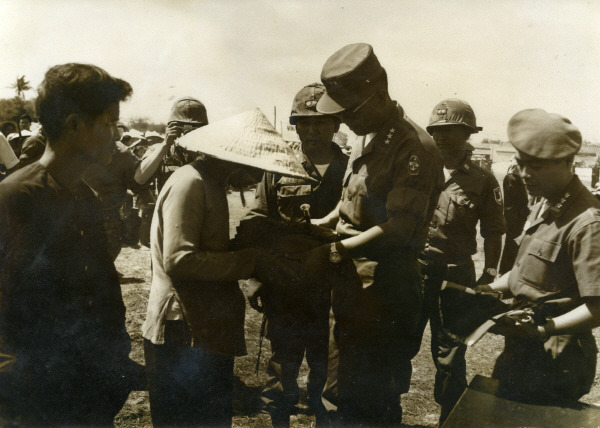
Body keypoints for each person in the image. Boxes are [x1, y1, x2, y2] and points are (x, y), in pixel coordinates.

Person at [142, 108, 310, 427]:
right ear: (235, 159)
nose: (256, 178)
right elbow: (179, 260)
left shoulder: (210, 183)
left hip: (203, 327)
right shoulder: (191, 182)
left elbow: (205, 251)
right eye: (254, 169)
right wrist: (252, 261)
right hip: (181, 330)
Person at [308, 43, 444, 426]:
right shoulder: (363, 136)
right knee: (339, 389)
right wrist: (323, 224)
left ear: (378, 94)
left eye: (349, 110)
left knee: (372, 398)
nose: (344, 121)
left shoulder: (412, 145)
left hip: (386, 290)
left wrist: (337, 249)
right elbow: (351, 199)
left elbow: (400, 227)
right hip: (352, 282)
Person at [0, 63, 137, 425]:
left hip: (86, 398)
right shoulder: (16, 199)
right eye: (109, 123)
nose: (115, 135)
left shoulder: (83, 195)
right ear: (76, 124)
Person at [477, 109, 600, 404]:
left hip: (558, 359)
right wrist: (490, 288)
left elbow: (598, 308)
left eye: (536, 166)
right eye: (520, 164)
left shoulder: (587, 222)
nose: (524, 174)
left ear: (569, 163)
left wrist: (544, 329)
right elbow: (523, 272)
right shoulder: (545, 203)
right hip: (524, 346)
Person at [248, 83, 348, 427]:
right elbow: (258, 223)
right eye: (303, 123)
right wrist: (256, 278)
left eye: (320, 122)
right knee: (280, 373)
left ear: (337, 124)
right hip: (286, 288)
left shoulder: (353, 172)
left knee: (329, 378)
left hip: (335, 290)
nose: (311, 130)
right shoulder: (279, 167)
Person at [416, 98, 506, 424]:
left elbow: (494, 231)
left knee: (451, 357)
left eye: (450, 130)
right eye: (436, 130)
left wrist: (490, 272)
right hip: (414, 272)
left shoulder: (483, 180)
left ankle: (450, 421)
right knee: (398, 345)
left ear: (467, 133)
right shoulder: (417, 170)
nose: (441, 136)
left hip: (456, 276)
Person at [498, 157, 530, 274]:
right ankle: (506, 270)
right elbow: (519, 199)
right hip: (514, 217)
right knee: (512, 244)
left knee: (513, 244)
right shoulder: (512, 178)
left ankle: (507, 270)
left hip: (516, 216)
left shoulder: (515, 178)